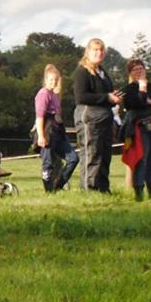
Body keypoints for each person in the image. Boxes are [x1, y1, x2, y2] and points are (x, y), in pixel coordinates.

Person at [72, 37, 122, 193]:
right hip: (89, 117)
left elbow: (106, 94)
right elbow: (81, 97)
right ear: (88, 51)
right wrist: (107, 97)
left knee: (105, 154)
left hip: (105, 117)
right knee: (92, 154)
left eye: (101, 50)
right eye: (95, 50)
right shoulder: (82, 72)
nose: (98, 53)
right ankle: (90, 190)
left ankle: (103, 188)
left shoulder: (102, 72)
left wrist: (114, 98)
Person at [119, 59, 151, 200]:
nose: (139, 71)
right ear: (130, 73)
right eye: (135, 69)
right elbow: (136, 103)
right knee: (141, 159)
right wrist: (143, 91)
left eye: (141, 68)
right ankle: (139, 194)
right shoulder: (128, 90)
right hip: (139, 129)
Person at [34, 64, 79, 192]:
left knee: (73, 159)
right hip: (47, 132)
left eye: (55, 79)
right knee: (47, 164)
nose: (53, 82)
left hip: (58, 132)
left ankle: (59, 184)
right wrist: (41, 136)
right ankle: (49, 191)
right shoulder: (43, 94)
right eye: (50, 79)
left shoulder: (55, 95)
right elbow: (40, 116)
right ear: (46, 80)